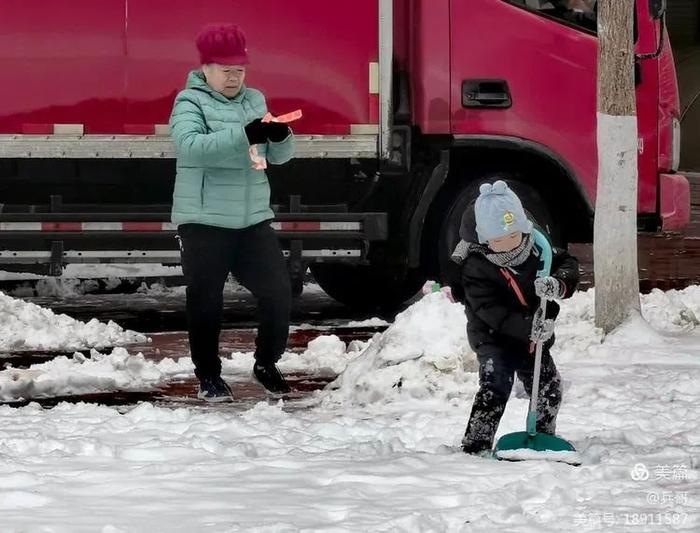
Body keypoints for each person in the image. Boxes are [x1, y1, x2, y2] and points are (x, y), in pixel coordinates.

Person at [169, 24, 295, 401]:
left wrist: (281, 137)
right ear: (205, 68)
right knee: (206, 299)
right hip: (204, 219)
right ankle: (208, 375)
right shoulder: (189, 101)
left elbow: (280, 157)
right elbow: (190, 147)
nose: (233, 77)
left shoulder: (255, 99)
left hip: (252, 217)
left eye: (239, 70)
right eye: (225, 70)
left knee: (278, 292)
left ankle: (266, 362)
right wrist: (246, 133)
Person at [450, 181, 579, 456]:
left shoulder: (537, 248)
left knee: (549, 385)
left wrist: (558, 283)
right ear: (484, 239)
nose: (507, 244)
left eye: (512, 236)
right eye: (498, 240)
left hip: (532, 335)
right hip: (493, 336)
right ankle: (476, 444)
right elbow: (488, 310)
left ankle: (542, 437)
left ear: (522, 228)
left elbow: (568, 264)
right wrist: (528, 327)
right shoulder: (476, 265)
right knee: (495, 385)